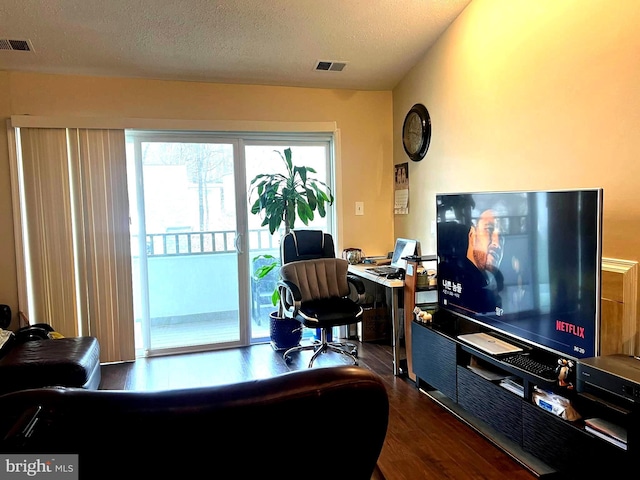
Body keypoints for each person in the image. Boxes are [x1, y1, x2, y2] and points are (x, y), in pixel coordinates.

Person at [438, 209, 505, 314]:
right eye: (489, 230)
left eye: (501, 236)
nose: (496, 243)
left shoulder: (496, 279)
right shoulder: (451, 272)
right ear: (472, 236)